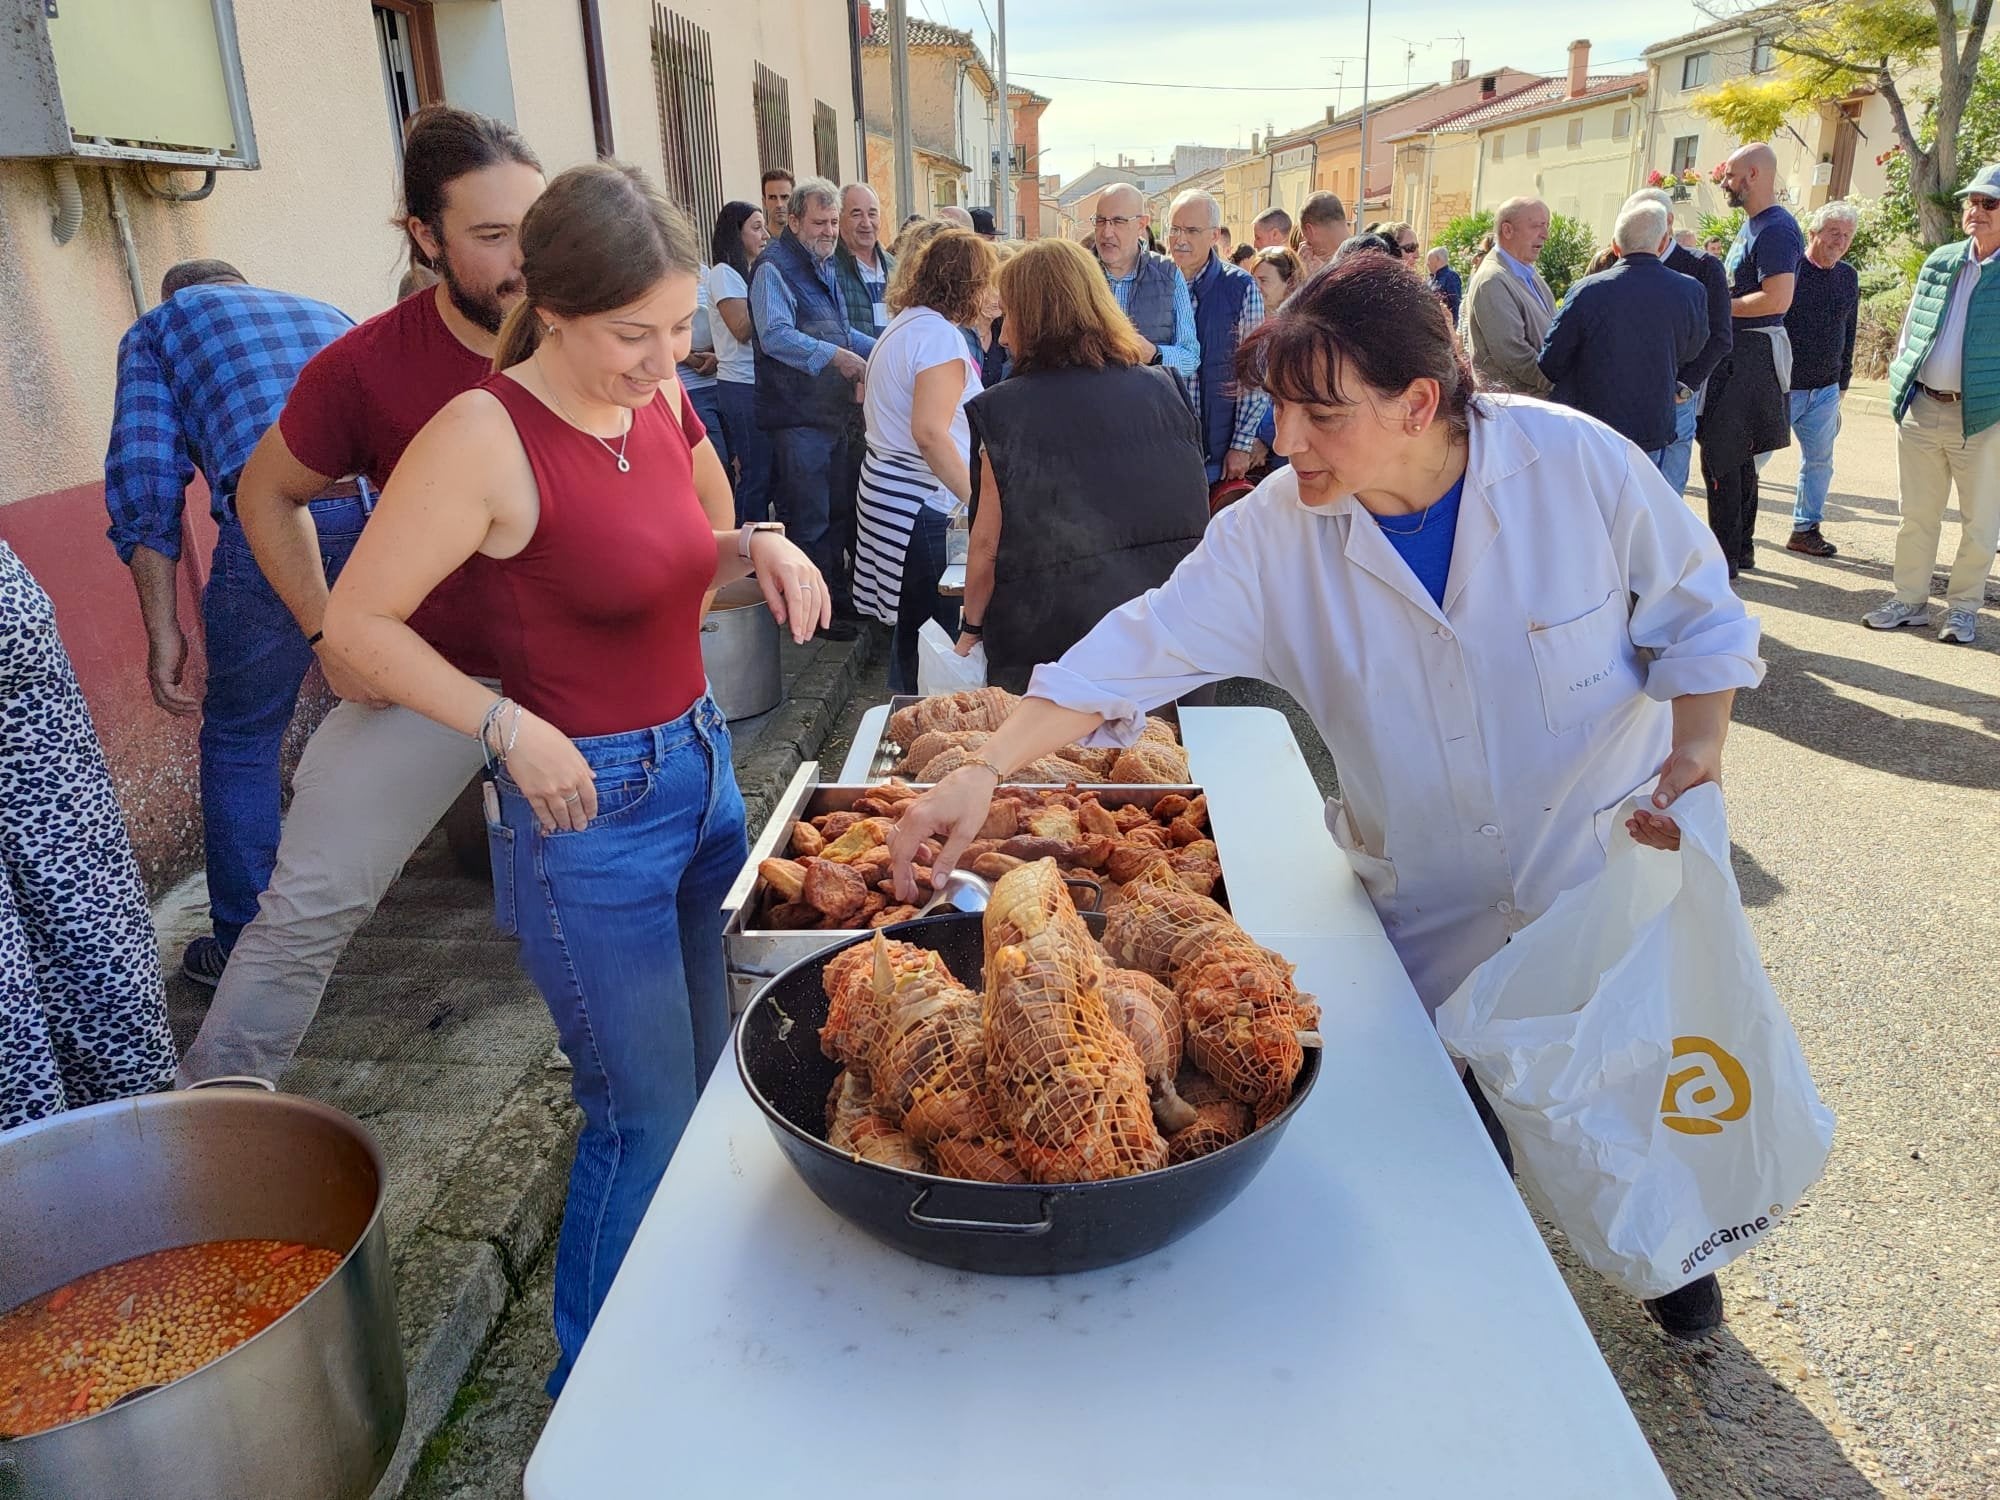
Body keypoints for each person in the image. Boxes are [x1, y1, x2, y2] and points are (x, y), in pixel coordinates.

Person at [890, 251, 1765, 1340]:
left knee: (1623, 1095)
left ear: (1418, 402)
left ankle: (1675, 1277)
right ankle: (1470, 1344)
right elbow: (1139, 646)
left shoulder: (1573, 468)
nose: (1286, 441)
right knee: (1449, 1143)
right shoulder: (1275, 531)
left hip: (1592, 874)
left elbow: (1698, 612)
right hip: (1429, 900)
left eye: (1320, 413)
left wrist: (1697, 749)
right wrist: (983, 765)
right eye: (1275, 409)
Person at [322, 161, 829, 1392]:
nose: (665, 361)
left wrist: (750, 546)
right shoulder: (483, 434)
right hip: (582, 814)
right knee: (638, 1116)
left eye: (676, 330)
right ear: (550, 309)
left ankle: (686, 1321)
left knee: (718, 1085)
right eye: (631, 335)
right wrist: (503, 726)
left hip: (699, 775)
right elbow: (355, 630)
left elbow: (654, 563)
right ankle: (592, 1396)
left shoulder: (647, 407)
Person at [177, 105, 546, 1085]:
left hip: (579, 685)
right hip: (427, 681)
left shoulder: (595, 335)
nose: (525, 261)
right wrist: (323, 629)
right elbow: (265, 493)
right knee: (304, 908)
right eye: (491, 236)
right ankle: (207, 1152)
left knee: (627, 902)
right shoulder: (367, 363)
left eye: (535, 228)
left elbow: (698, 499)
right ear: (425, 238)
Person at [103, 258, 363, 985]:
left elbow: (146, 478)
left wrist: (163, 631)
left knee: (243, 736)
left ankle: (249, 956)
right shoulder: (324, 306)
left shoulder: (160, 328)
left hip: (279, 520)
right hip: (394, 512)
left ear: (175, 296)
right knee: (411, 698)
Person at [955, 239, 1209, 692]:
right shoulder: (1168, 389)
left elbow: (986, 548)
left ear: (1036, 319)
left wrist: (971, 629)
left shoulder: (1004, 412)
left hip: (1051, 652)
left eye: (1009, 315)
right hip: (1165, 642)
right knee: (1158, 762)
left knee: (1054, 767)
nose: (1005, 334)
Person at [1, 542, 175, 1129]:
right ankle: (131, 1137)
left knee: (80, 902)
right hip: (14, 620)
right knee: (83, 898)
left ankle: (39, 1165)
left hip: (18, 642)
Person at [853, 229, 997, 691]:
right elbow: (931, 434)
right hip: (922, 505)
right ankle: (924, 735)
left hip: (894, 497)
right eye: (988, 282)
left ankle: (906, 717)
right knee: (936, 640)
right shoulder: (937, 337)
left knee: (913, 635)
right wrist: (978, 503)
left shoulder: (908, 323)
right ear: (968, 286)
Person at [1864, 163, 2000, 645]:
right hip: (1923, 407)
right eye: (1972, 201)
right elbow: (1912, 328)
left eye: (1989, 203)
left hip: (1983, 417)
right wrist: (1902, 377)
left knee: (1980, 522)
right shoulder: (1941, 260)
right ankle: (1909, 601)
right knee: (1916, 515)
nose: (1975, 211)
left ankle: (1963, 609)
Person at [750, 176, 875, 637]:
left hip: (829, 415)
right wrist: (837, 358)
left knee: (838, 512)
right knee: (809, 519)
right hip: (796, 416)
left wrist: (883, 349)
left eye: (832, 222)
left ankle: (837, 601)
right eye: (819, 222)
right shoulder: (774, 267)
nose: (828, 230)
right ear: (795, 220)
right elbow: (775, 335)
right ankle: (814, 617)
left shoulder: (824, 267)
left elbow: (842, 331)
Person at [1536, 199, 1708, 467]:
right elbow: (1693, 349)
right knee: (1640, 505)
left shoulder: (1587, 291)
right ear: (1663, 243)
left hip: (1591, 426)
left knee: (1590, 505)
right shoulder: (1690, 291)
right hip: (1651, 425)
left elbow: (1551, 362)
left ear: (1615, 246)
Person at [1698, 142, 1803, 578]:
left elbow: (1777, 298)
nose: (1724, 182)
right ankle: (1738, 551)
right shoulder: (1754, 225)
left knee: (1721, 456)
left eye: (1731, 175)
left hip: (1751, 355)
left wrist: (1716, 304)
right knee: (1737, 458)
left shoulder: (1776, 229)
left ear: (1755, 175)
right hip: (1740, 355)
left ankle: (1723, 561)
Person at [1165, 189, 1270, 484]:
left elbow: (1253, 374)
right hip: (1162, 449)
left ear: (1213, 235)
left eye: (1192, 230)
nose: (1180, 239)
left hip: (1215, 456)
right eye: (1174, 229)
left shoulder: (1239, 287)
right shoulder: (1154, 283)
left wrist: (1240, 444)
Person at [1637, 187, 1733, 501]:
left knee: (1665, 501)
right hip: (1627, 399)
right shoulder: (1617, 260)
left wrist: (1685, 385)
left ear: (1669, 221)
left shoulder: (1703, 267)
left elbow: (1720, 336)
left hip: (1673, 398)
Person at [1781, 201, 1860, 558]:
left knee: (1819, 462)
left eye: (1846, 235)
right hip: (1784, 386)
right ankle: (1734, 531)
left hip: (1826, 390)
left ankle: (1805, 528)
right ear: (1813, 233)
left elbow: (1849, 329)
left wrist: (1843, 380)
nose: (1840, 241)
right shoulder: (1790, 271)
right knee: (1752, 460)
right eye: (1833, 233)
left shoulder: (1848, 276)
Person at [1092, 183, 1200, 389]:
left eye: (1118, 221)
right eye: (1100, 221)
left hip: (1146, 412)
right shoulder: (1077, 274)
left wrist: (1153, 353)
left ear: (1142, 224)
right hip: (1088, 410)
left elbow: (1190, 357)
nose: (1106, 232)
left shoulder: (1168, 274)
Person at [708, 201, 772, 522]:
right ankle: (746, 554)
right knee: (754, 473)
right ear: (737, 233)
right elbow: (741, 329)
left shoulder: (752, 271)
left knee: (766, 472)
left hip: (757, 383)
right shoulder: (724, 274)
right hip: (740, 385)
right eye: (757, 227)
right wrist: (770, 301)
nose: (766, 234)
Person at [1463, 197, 1555, 396]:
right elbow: (1514, 354)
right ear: (1507, 230)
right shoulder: (1492, 280)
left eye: (1546, 226)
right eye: (1536, 226)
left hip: (1534, 406)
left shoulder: (1528, 274)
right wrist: (1558, 384)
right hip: (1514, 410)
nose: (1545, 235)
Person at [834, 182, 896, 340]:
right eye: (856, 214)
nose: (866, 223)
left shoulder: (895, 267)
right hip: (854, 363)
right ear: (840, 219)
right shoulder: (830, 268)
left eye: (872, 214)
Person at [1296, 191, 1350, 276]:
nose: (1306, 248)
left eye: (1307, 242)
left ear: (1310, 230)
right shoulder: (1369, 255)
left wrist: (1314, 278)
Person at [1425, 247, 1462, 324]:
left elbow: (1455, 304)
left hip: (1444, 327)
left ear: (1437, 259)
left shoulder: (1451, 277)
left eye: (1429, 260)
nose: (1427, 264)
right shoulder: (1431, 279)